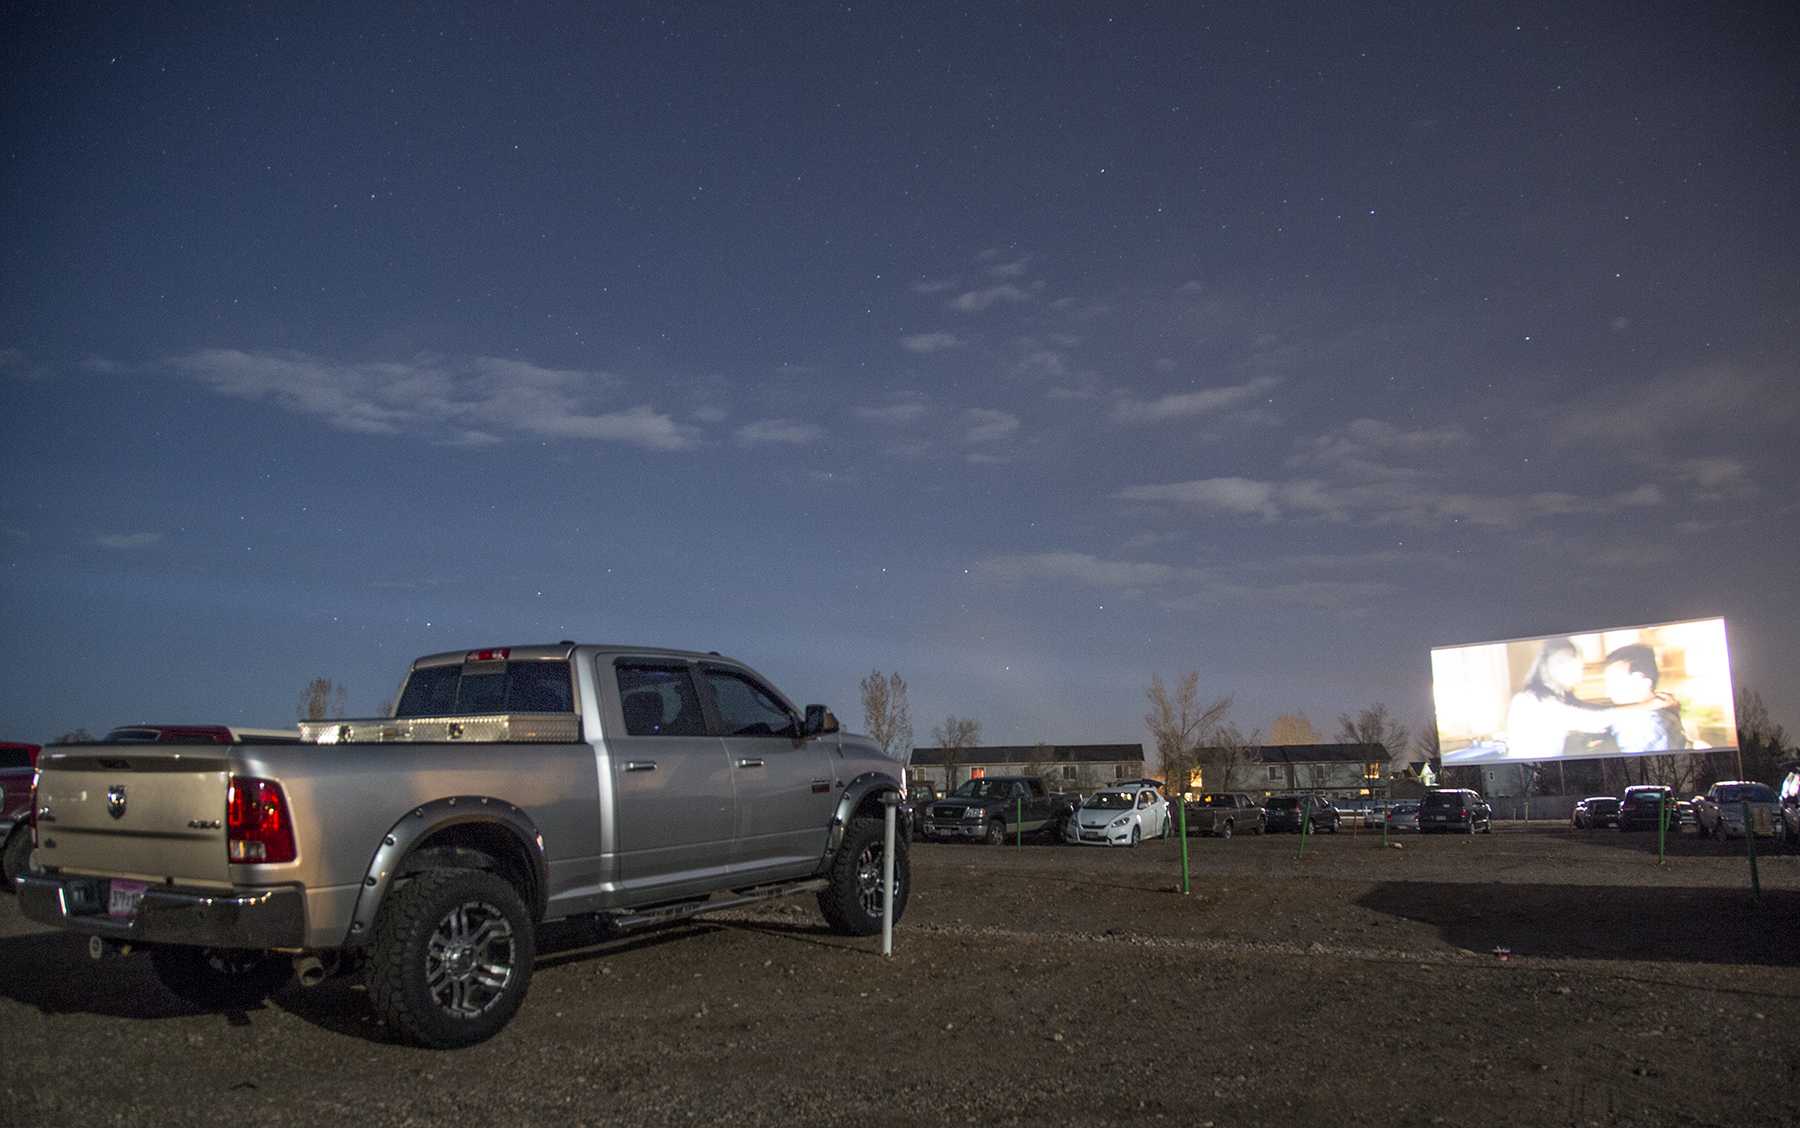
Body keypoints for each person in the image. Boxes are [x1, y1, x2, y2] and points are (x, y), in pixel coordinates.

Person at [1501, 638, 1673, 761]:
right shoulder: (1533, 701)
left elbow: (1594, 711)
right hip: (1525, 774)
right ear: (1559, 666)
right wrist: (1648, 705)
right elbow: (1594, 720)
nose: (1582, 674)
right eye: (1579, 667)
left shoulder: (1557, 696)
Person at [1602, 644, 1687, 753]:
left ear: (1642, 682)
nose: (1608, 692)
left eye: (1614, 683)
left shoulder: (1641, 725)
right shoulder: (1658, 713)